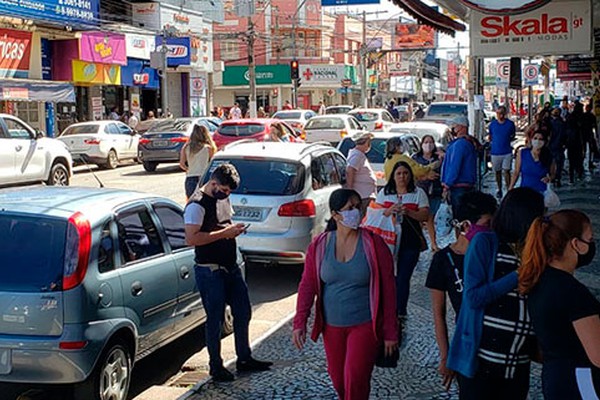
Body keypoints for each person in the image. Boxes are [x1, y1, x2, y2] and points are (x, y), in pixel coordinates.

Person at [292, 188, 398, 400]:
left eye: (358, 207)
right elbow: (308, 285)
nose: (356, 212)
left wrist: (390, 333)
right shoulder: (320, 245)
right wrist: (300, 321)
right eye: (350, 208)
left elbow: (388, 290)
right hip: (332, 328)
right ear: (335, 214)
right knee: (339, 381)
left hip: (365, 325)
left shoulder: (374, 244)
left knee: (355, 379)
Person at [447, 187, 545, 400]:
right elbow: (473, 297)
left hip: (517, 365)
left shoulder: (533, 250)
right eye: (539, 216)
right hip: (483, 365)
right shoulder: (486, 243)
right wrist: (519, 275)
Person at [184, 164, 272, 381]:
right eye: (224, 190)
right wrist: (226, 233)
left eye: (229, 191)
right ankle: (216, 366)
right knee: (215, 320)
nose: (227, 194)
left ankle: (244, 357)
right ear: (213, 183)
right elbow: (192, 238)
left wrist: (233, 230)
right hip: (210, 271)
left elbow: (225, 223)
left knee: (243, 312)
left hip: (230, 267)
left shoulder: (222, 198)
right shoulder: (196, 205)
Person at [519, 210, 600, 400]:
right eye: (590, 238)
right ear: (576, 244)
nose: (592, 243)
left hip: (555, 377)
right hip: (581, 381)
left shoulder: (539, 280)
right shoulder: (571, 291)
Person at [426, 191, 497, 391]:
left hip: (499, 342)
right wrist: (446, 356)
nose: (491, 231)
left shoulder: (496, 252)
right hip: (468, 343)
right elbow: (438, 314)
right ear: (466, 226)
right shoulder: (442, 260)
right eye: (487, 224)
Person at [376, 162, 429, 327]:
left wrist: (410, 212)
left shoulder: (418, 193)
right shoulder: (384, 193)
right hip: (388, 242)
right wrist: (387, 211)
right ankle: (387, 309)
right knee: (388, 277)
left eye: (405, 173)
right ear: (393, 176)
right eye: (398, 173)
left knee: (403, 278)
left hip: (410, 241)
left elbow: (425, 215)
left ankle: (400, 311)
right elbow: (375, 214)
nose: (402, 177)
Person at [441, 115, 478, 216]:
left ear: (461, 127)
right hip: (466, 186)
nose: (452, 128)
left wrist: (447, 185)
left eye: (454, 126)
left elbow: (454, 166)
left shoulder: (460, 144)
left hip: (459, 187)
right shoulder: (466, 143)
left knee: (459, 220)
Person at [412, 135, 443, 251]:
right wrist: (425, 177)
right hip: (421, 192)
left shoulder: (438, 159)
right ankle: (419, 242)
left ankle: (433, 244)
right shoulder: (416, 158)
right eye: (426, 142)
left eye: (431, 142)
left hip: (435, 192)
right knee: (420, 219)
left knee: (430, 218)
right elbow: (413, 175)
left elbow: (444, 173)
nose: (428, 144)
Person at [180, 124, 217, 198]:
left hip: (190, 177)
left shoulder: (186, 147)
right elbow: (212, 164)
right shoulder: (208, 148)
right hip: (204, 177)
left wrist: (189, 169)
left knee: (192, 202)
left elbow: (182, 164)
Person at [345, 132, 377, 217]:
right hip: (363, 196)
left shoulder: (359, 154)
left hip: (365, 195)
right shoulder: (357, 155)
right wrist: (350, 191)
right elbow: (350, 170)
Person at [488, 106, 516, 198]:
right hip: (495, 152)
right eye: (499, 113)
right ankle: (499, 188)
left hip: (507, 151)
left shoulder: (510, 124)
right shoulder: (492, 125)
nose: (501, 115)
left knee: (507, 171)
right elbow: (490, 136)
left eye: (502, 113)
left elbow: (512, 135)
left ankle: (509, 189)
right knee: (497, 172)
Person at [566, 101, 585, 183]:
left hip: (571, 142)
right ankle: (578, 174)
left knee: (572, 161)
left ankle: (572, 177)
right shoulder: (581, 117)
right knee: (578, 159)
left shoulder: (570, 116)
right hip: (577, 142)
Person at [549, 107, 568, 187]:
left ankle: (552, 177)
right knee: (559, 163)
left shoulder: (549, 123)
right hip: (559, 146)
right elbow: (566, 135)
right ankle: (557, 178)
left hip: (552, 146)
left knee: (550, 162)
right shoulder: (563, 124)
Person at [582, 103, 599, 171]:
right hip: (588, 133)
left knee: (586, 149)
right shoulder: (591, 116)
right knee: (589, 148)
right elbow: (595, 126)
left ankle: (586, 162)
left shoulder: (584, 116)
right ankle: (589, 162)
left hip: (586, 134)